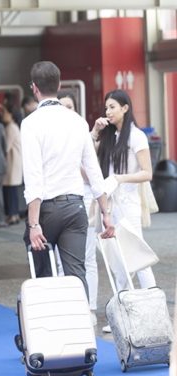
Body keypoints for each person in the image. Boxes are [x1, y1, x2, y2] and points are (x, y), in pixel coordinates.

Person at [21, 61, 114, 295]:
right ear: (59, 85)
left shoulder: (30, 124)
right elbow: (94, 172)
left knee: (43, 274)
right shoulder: (78, 121)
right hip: (75, 207)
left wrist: (33, 224)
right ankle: (79, 325)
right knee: (76, 274)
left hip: (46, 210)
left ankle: (50, 325)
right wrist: (106, 213)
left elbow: (33, 178)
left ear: (34, 88)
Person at [91, 89, 156, 333]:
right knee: (116, 261)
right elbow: (87, 157)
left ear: (125, 108)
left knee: (137, 258)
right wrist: (96, 132)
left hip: (128, 206)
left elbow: (147, 173)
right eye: (106, 107)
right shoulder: (108, 135)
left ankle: (151, 312)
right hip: (110, 205)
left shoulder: (137, 137)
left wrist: (119, 178)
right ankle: (121, 314)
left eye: (112, 107)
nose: (108, 112)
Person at [58, 91, 99, 326]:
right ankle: (68, 307)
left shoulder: (81, 130)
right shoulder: (51, 133)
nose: (67, 110)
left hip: (86, 197)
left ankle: (90, 306)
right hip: (59, 200)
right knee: (63, 260)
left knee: (88, 256)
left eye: (70, 106)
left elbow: (90, 170)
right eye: (62, 106)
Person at [0, 105, 23, 225]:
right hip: (14, 163)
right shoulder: (13, 127)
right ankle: (15, 215)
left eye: (5, 112)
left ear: (11, 115)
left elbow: (6, 147)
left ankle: (13, 215)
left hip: (12, 163)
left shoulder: (10, 128)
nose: (2, 115)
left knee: (10, 190)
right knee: (12, 190)